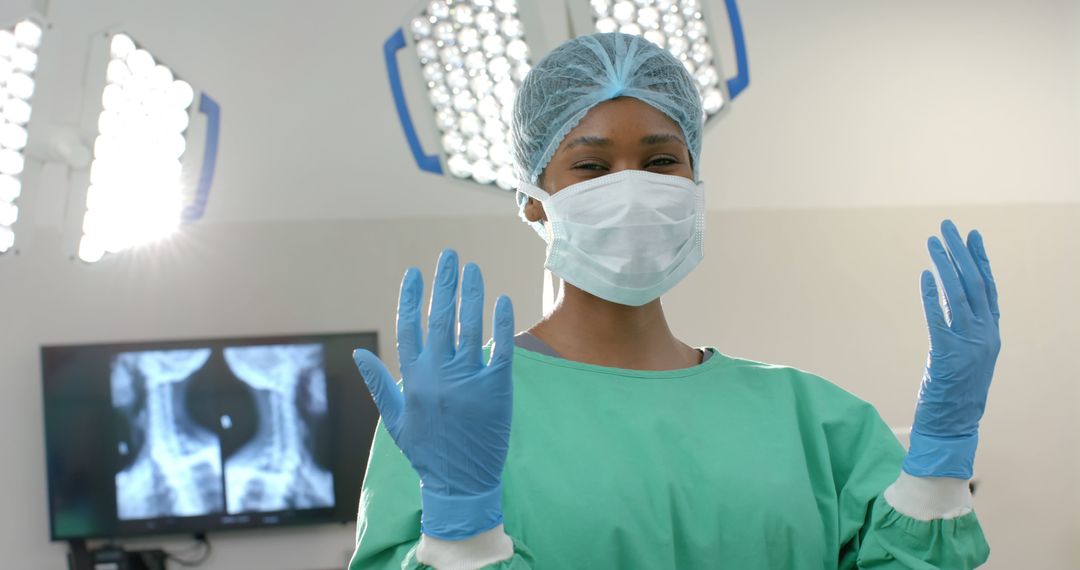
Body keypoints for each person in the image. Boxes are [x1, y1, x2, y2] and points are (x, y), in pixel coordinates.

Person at [349, 33, 998, 569]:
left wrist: (938, 468)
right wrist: (462, 536)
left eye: (661, 160)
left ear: (694, 184)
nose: (632, 188)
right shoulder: (456, 417)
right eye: (592, 167)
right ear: (530, 196)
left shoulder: (813, 421)